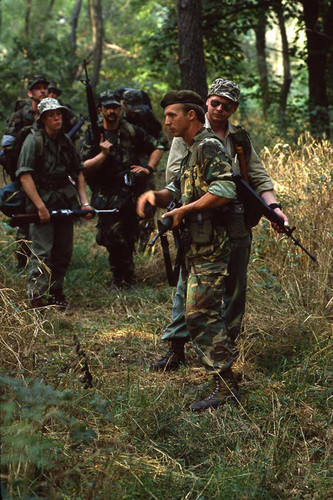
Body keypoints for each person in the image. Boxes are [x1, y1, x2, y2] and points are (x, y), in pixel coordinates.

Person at [151, 79, 289, 372]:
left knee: (234, 285)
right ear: (205, 103)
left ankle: (226, 346)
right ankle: (177, 346)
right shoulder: (189, 137)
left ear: (234, 108)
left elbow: (259, 178)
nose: (219, 109)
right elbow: (177, 178)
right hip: (199, 219)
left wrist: (274, 208)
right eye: (215, 102)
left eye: (226, 105)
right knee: (188, 286)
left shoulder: (239, 139)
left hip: (234, 219)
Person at [138, 90, 242, 411]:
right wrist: (156, 197)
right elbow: (181, 190)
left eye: (172, 115)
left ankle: (226, 385)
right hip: (196, 246)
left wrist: (184, 212)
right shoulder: (191, 149)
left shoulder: (208, 146)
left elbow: (225, 189)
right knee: (195, 312)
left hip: (211, 245)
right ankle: (222, 379)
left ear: (191, 116)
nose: (167, 121)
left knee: (201, 314)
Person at [81, 90, 165, 288]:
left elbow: (159, 145)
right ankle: (118, 276)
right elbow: (83, 167)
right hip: (105, 193)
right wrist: (102, 154)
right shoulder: (93, 134)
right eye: (108, 108)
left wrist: (148, 168)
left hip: (129, 192)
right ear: (100, 110)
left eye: (115, 107)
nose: (112, 111)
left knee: (129, 233)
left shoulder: (131, 130)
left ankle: (126, 277)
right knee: (110, 236)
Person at [15, 98, 92, 307]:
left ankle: (56, 292)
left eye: (59, 114)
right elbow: (24, 177)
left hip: (64, 202)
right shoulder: (34, 141)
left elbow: (78, 172)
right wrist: (40, 207)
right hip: (42, 202)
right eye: (51, 115)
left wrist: (84, 203)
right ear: (43, 119)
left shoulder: (65, 141)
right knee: (42, 253)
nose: (57, 118)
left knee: (63, 251)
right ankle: (37, 299)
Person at [4, 75, 49, 268]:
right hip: (23, 174)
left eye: (45, 88)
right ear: (30, 93)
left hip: (46, 176)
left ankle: (44, 261)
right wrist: (18, 173)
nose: (43, 91)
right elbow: (6, 147)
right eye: (38, 88)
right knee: (25, 219)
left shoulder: (51, 113)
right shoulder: (20, 116)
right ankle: (22, 262)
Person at [120, 89, 169, 252]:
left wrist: (149, 166)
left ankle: (144, 247)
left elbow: (162, 142)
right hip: (120, 168)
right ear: (123, 104)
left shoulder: (146, 116)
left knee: (146, 207)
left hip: (143, 166)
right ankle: (126, 247)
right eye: (131, 108)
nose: (135, 112)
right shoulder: (116, 117)